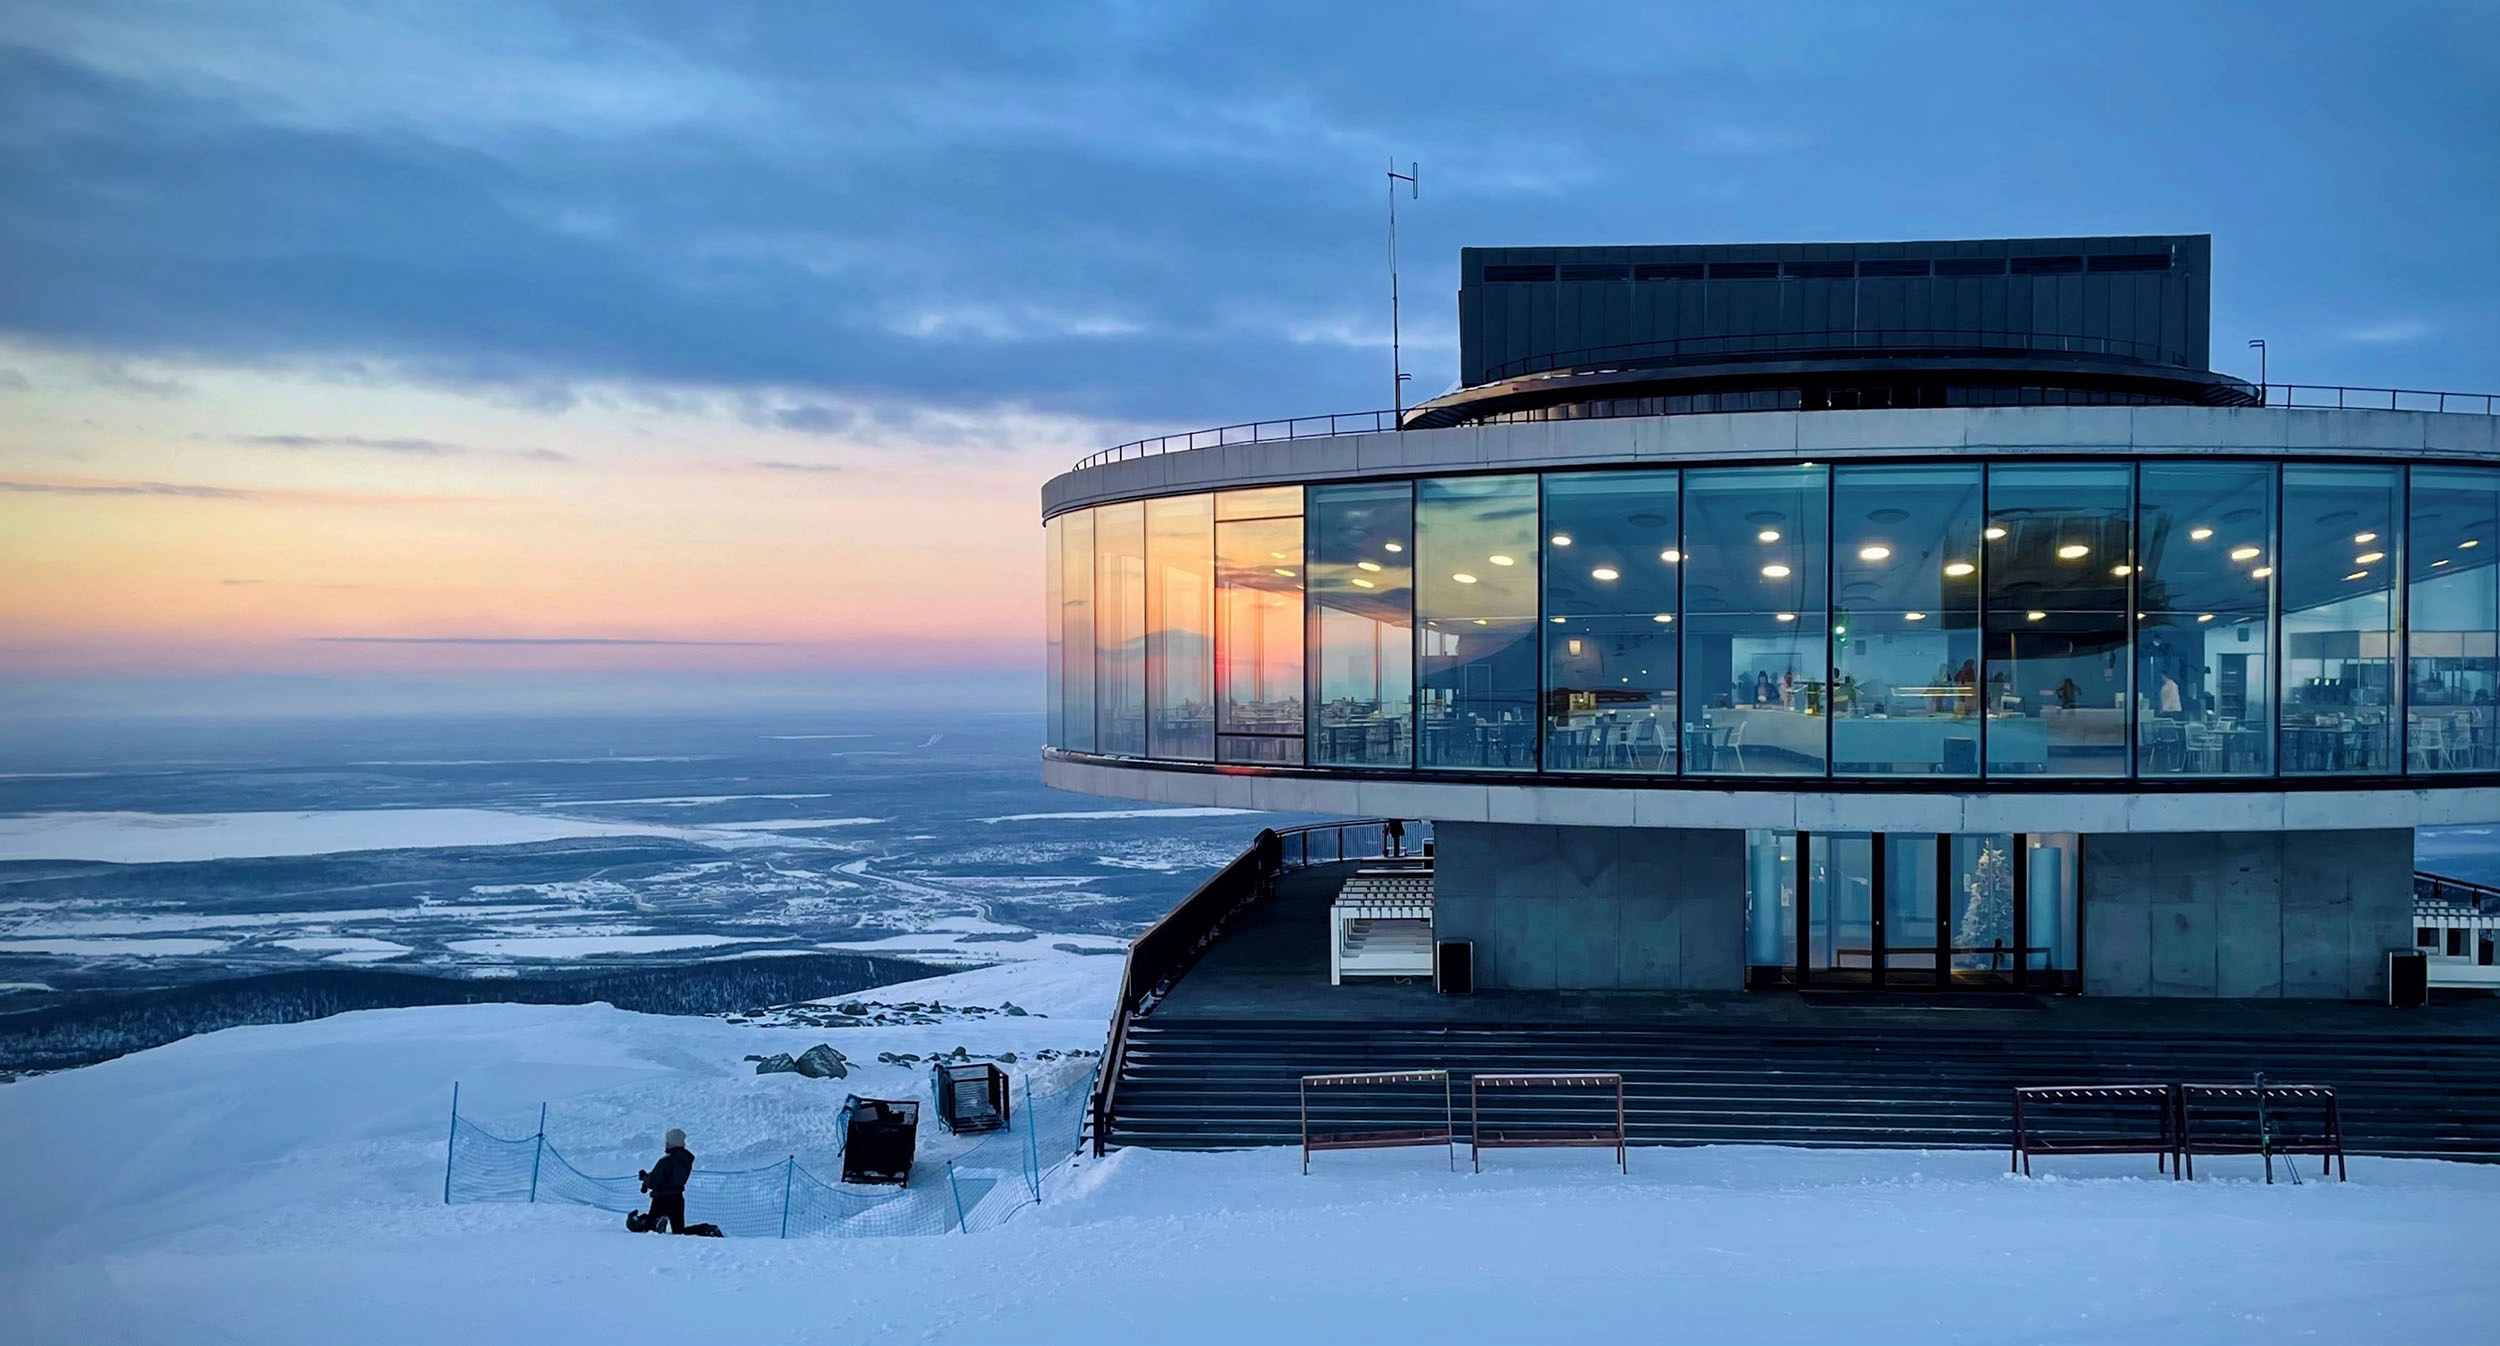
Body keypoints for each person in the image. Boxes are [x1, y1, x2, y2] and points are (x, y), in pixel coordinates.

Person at [638, 1128, 695, 1234]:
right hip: (678, 1197)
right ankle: (706, 1229)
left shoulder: (666, 1161)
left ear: (670, 1142)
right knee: (679, 1231)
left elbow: (654, 1181)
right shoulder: (687, 1159)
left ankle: (658, 1224)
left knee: (649, 1228)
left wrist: (645, 1178)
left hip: (661, 1198)